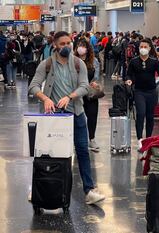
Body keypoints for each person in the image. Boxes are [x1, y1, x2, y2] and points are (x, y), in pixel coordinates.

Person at [28, 31, 105, 205]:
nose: (66, 46)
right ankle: (37, 188)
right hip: (54, 116)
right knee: (46, 153)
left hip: (76, 114)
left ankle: (89, 190)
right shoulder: (46, 64)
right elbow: (33, 86)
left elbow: (85, 86)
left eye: (68, 43)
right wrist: (46, 98)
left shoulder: (79, 64)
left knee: (83, 151)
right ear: (55, 45)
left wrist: (70, 96)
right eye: (62, 44)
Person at [125, 38, 159, 145]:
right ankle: (140, 138)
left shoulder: (154, 62)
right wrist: (128, 80)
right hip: (139, 91)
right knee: (140, 113)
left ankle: (148, 139)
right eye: (141, 47)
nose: (143, 49)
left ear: (149, 48)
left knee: (150, 116)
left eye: (145, 47)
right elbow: (128, 74)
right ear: (138, 48)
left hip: (151, 92)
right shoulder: (134, 61)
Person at [74, 38, 101, 152]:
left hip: (90, 92)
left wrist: (94, 83)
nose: (81, 48)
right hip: (76, 93)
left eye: (83, 45)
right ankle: (76, 140)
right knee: (77, 117)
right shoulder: (73, 60)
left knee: (92, 116)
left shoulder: (94, 61)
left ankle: (92, 138)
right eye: (79, 45)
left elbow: (97, 76)